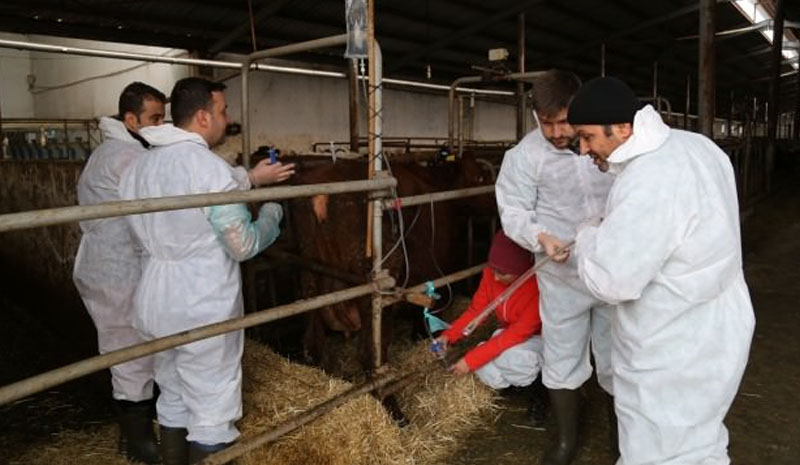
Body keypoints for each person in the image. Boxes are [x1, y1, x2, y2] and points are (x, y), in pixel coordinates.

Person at [568, 76, 755, 465]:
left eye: (587, 137)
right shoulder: (696, 145)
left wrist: (587, 237)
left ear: (622, 128)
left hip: (671, 345)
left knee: (656, 454)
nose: (583, 148)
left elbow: (611, 279)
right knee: (700, 444)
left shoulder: (647, 178)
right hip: (719, 324)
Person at [119, 77, 293, 465]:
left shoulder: (138, 169)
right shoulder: (207, 168)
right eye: (222, 111)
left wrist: (250, 179)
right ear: (202, 117)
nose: (226, 119)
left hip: (155, 298)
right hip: (202, 303)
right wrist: (271, 214)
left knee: (174, 395)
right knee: (213, 407)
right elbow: (243, 245)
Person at [495, 69, 617, 465]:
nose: (555, 132)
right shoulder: (525, 156)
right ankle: (566, 442)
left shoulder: (608, 144)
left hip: (613, 271)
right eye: (546, 123)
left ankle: (623, 440)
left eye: (563, 121)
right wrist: (539, 236)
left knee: (618, 354)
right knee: (562, 354)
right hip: (560, 274)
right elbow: (512, 210)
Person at [73, 81, 167, 465]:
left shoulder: (113, 150)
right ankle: (139, 443)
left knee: (136, 348)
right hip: (116, 270)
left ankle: (137, 433)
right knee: (130, 353)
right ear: (130, 120)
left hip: (112, 264)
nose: (161, 126)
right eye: (154, 119)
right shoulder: (124, 157)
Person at [433, 230, 548, 425]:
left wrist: (469, 361)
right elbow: (476, 311)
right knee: (486, 369)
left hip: (543, 339)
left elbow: (515, 335)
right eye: (492, 269)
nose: (495, 277)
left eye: (502, 272)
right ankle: (518, 382)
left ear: (521, 271)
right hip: (512, 335)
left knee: (512, 358)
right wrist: (448, 336)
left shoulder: (538, 285)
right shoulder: (491, 274)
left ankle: (542, 393)